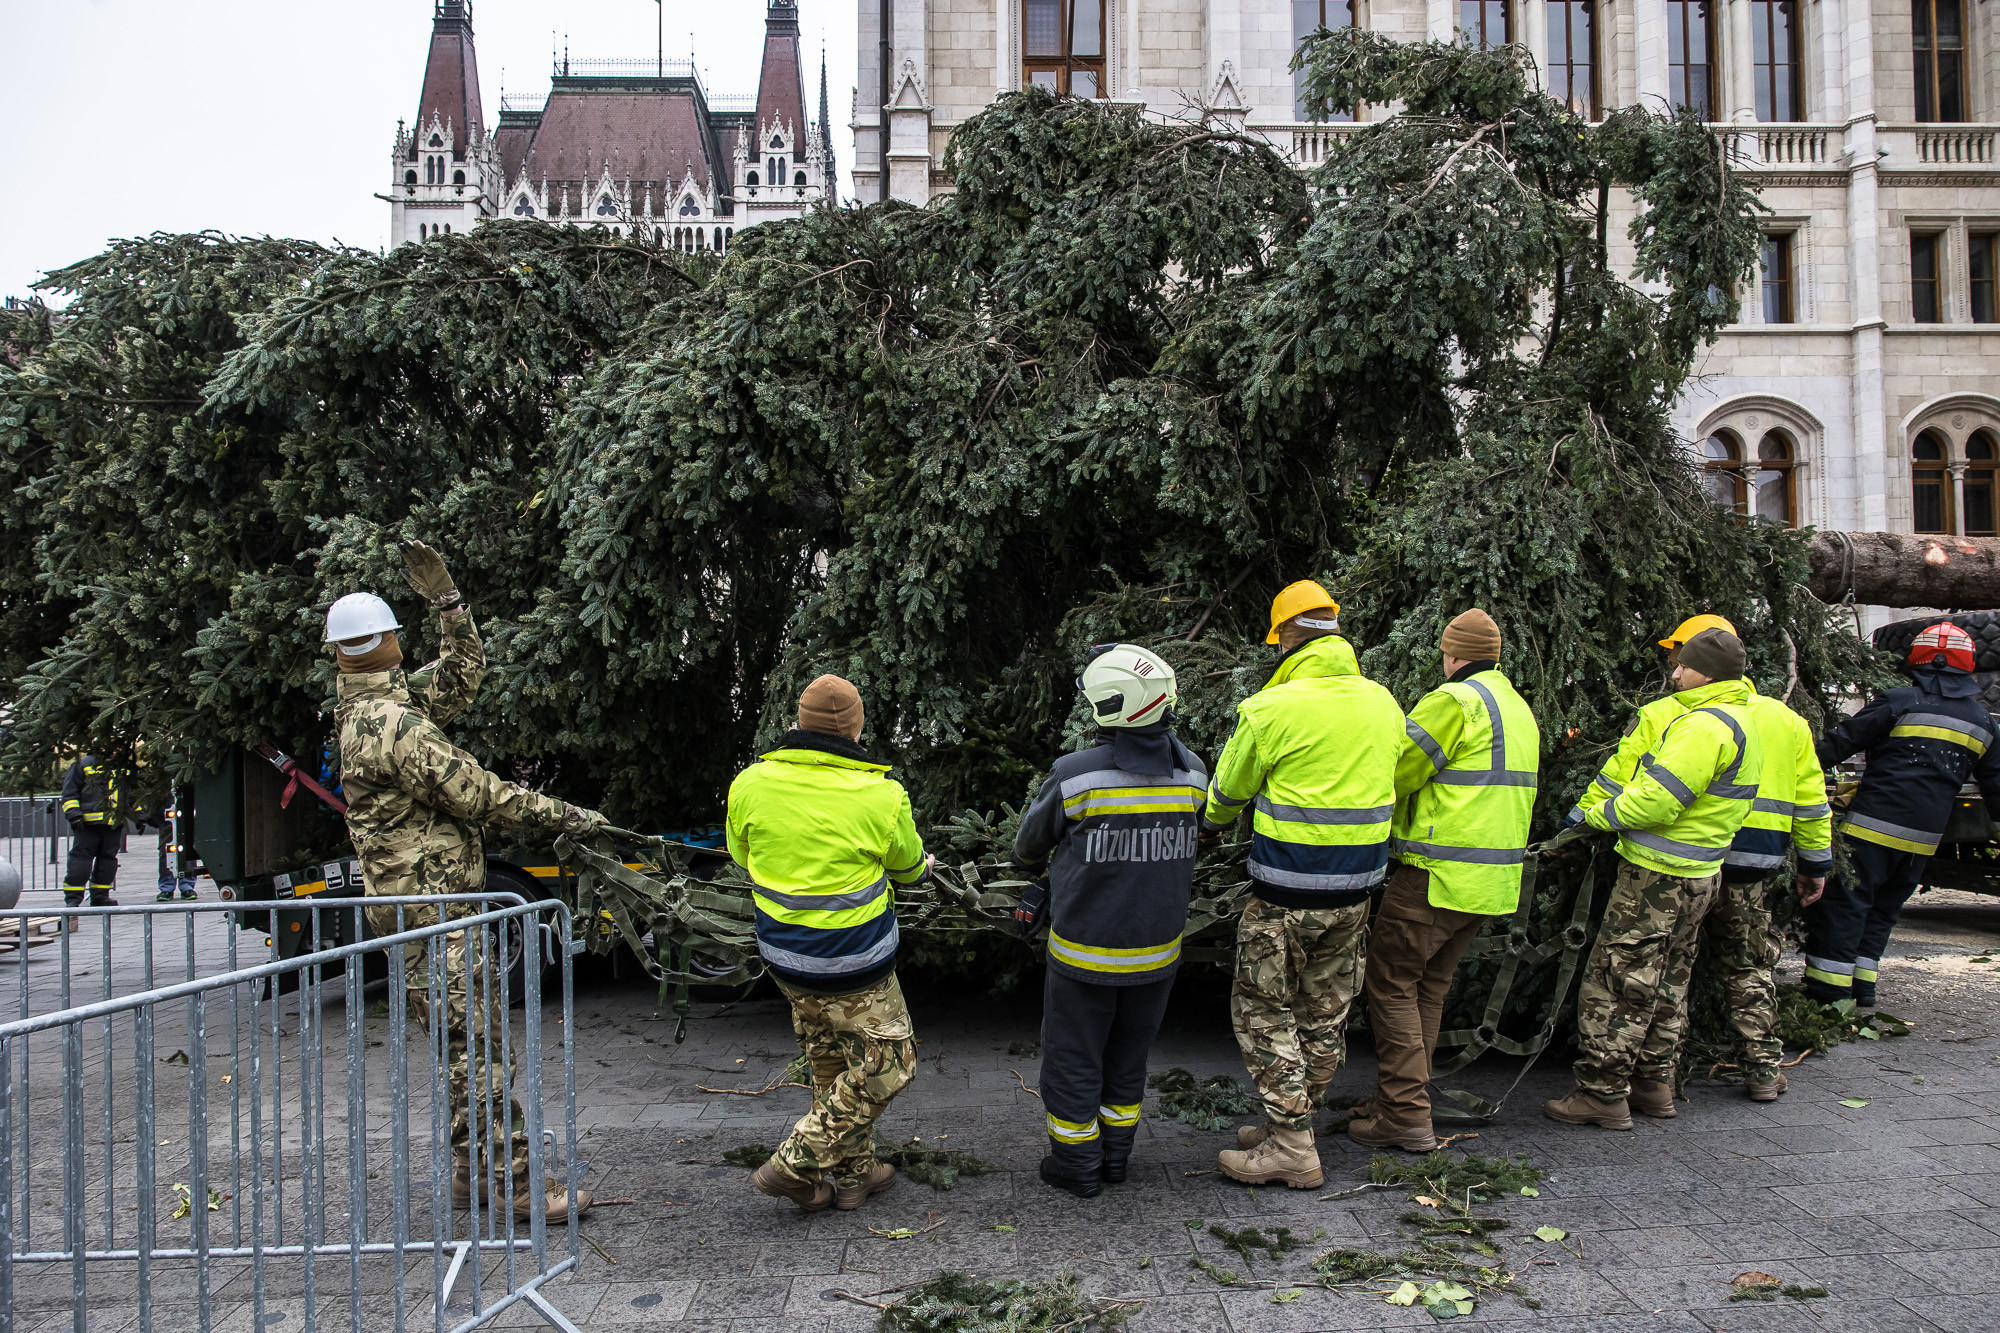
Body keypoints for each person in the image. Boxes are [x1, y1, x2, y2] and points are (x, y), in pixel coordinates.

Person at [333, 541, 605, 1222]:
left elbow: (461, 675)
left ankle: (469, 1171)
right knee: (477, 1048)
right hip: (437, 909)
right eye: (400, 630)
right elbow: (479, 794)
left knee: (461, 1042)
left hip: (420, 907)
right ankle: (516, 1183)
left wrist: (450, 606)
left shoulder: (370, 706)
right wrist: (566, 815)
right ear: (386, 643)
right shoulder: (396, 727)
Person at [1203, 581, 1404, 1189]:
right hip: (1356, 892)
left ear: (1287, 638)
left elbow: (1228, 792)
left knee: (1263, 1009)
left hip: (1286, 894)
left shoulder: (1272, 709)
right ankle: (1291, 1124)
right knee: (1323, 1012)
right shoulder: (1384, 703)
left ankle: (1291, 1145)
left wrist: (1209, 824)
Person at [727, 674, 932, 1213]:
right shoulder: (881, 795)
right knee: (893, 1063)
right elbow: (908, 870)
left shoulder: (750, 783)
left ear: (799, 722)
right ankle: (795, 1162)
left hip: (784, 960)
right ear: (858, 729)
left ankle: (856, 1177)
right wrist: (922, 865)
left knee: (831, 1063)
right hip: (856, 965)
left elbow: (741, 856)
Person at [1012, 644, 1209, 1197]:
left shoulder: (1075, 776)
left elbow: (1026, 848)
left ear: (1108, 704)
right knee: (1128, 1059)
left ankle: (1076, 1166)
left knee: (1074, 1059)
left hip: (1082, 958)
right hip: (1158, 959)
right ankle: (1116, 1159)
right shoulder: (1193, 776)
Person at [1546, 626, 1761, 1129]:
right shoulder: (1746, 719)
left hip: (1655, 878)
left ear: (1706, 672)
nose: (1675, 670)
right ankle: (1653, 1083)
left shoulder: (1702, 726)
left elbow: (1658, 800)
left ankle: (1602, 1093)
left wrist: (1595, 817)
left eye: (1683, 664)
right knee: (1670, 980)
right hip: (1701, 874)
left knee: (1618, 982)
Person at [1355, 608, 1539, 1152]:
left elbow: (1399, 770)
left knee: (1389, 982)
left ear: (1450, 654)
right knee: (1427, 987)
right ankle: (1405, 1100)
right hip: (1487, 882)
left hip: (1435, 877)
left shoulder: (1454, 702)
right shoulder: (1516, 706)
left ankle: (1406, 1115)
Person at [1811, 622, 2000, 1010]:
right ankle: (1862, 992)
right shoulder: (1985, 723)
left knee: (1845, 906)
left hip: (1872, 829)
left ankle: (1827, 998)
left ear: (1915, 660)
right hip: (1924, 839)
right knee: (1882, 912)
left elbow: (1838, 744)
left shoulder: (1898, 701)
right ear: (1968, 666)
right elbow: (1996, 783)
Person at [1712, 644, 1832, 1102]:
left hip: (1688, 856)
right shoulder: (1786, 720)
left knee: (1669, 967)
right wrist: (1815, 864)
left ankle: (1655, 1077)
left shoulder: (1682, 714)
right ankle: (1762, 1071)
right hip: (1755, 861)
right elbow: (1811, 799)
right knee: (1747, 965)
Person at [60, 749, 127, 911]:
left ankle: (100, 896)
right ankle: (73, 898)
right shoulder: (83, 764)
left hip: (113, 823)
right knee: (81, 860)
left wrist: (140, 815)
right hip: (87, 824)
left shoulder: (122, 766)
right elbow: (69, 792)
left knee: (108, 861)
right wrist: (74, 814)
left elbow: (129, 793)